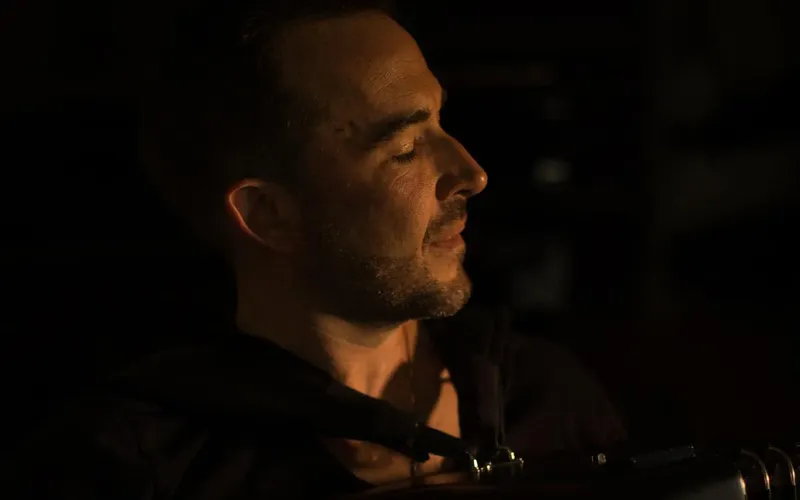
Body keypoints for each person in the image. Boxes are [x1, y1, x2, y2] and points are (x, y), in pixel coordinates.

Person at [6, 1, 626, 497]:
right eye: (405, 149)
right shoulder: (132, 468)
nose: (472, 173)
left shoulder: (546, 396)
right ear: (268, 215)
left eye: (441, 121)